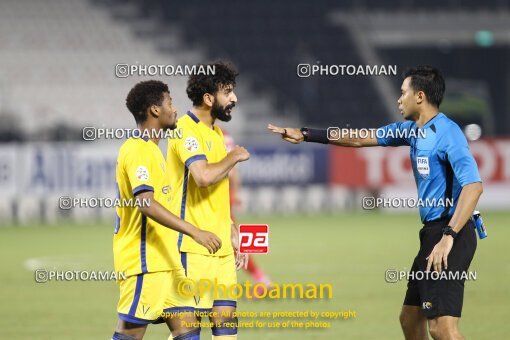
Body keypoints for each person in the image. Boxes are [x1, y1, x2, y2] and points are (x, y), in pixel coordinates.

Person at [268, 65, 483, 340]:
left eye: (403, 92)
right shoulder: (411, 131)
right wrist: (307, 133)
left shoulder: (448, 133)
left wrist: (449, 236)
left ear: (420, 96)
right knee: (410, 319)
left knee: (442, 328)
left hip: (451, 233)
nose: (398, 99)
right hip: (433, 234)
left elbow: (474, 186)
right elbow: (357, 138)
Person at [112, 80, 221, 340]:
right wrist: (195, 231)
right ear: (155, 110)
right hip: (145, 264)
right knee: (130, 334)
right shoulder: (139, 150)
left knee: (189, 331)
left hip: (167, 263)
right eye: (170, 102)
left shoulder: (154, 151)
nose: (175, 109)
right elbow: (146, 203)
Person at [167, 61, 250, 339]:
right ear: (208, 98)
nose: (234, 99)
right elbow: (202, 177)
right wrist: (233, 156)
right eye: (228, 92)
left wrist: (233, 231)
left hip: (222, 251)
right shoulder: (184, 129)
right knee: (188, 333)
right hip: (192, 248)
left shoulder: (215, 133)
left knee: (227, 331)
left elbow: (214, 192)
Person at [223, 129, 273, 295]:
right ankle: (261, 279)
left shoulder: (216, 134)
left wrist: (234, 193)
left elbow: (230, 168)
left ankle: (262, 279)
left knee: (233, 240)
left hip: (218, 196)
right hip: (223, 195)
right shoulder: (222, 133)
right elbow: (234, 169)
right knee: (232, 239)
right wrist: (236, 193)